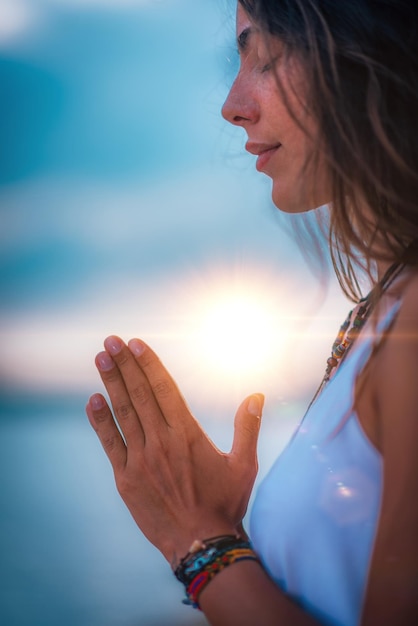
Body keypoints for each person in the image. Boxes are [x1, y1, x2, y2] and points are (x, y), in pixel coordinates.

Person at [85, 1, 418, 624]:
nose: (232, 104)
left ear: (371, 49)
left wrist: (199, 541)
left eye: (264, 52)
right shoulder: (391, 306)